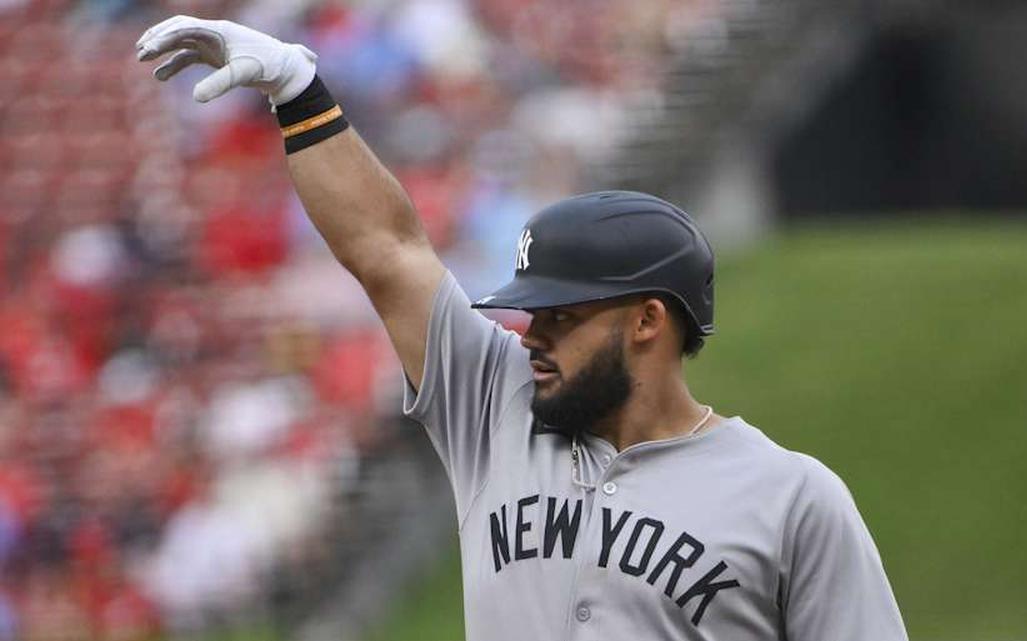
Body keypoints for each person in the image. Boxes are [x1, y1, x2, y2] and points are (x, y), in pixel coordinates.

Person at [136, 15, 909, 640]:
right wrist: (301, 92)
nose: (530, 333)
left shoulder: (793, 499)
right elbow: (390, 254)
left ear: (647, 321)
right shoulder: (495, 404)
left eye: (562, 316)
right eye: (532, 310)